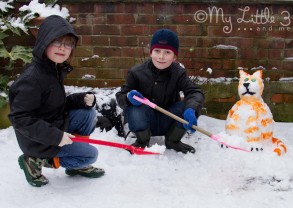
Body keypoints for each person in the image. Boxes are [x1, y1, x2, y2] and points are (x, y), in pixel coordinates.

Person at [8, 15, 105, 187]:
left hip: (53, 125)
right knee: (90, 154)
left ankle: (75, 162)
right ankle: (36, 160)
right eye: (57, 42)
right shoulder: (32, 78)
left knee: (87, 114)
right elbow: (20, 118)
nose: (63, 48)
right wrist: (56, 137)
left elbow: (54, 105)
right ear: (44, 42)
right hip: (38, 140)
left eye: (68, 44)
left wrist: (80, 99)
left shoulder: (52, 69)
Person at [115, 28, 205, 154]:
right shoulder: (136, 73)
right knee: (135, 107)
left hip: (169, 119)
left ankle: (173, 141)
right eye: (157, 51)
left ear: (174, 57)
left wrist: (192, 109)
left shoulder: (178, 73)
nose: (161, 56)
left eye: (167, 52)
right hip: (144, 120)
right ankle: (141, 142)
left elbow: (195, 92)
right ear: (151, 52)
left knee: (187, 105)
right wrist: (128, 97)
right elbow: (121, 96)